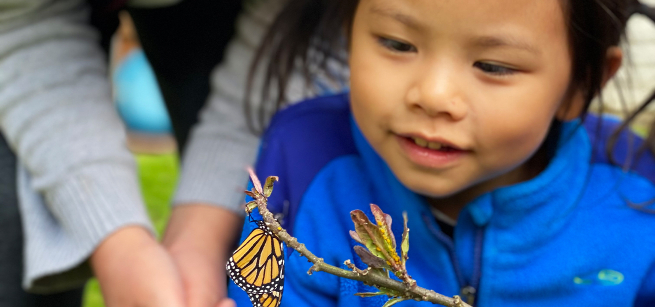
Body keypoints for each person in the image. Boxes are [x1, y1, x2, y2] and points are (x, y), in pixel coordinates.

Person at [228, 0, 655, 306]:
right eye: (397, 44)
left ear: (583, 84)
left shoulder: (638, 192)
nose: (433, 96)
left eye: (493, 66)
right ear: (349, 35)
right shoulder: (305, 155)